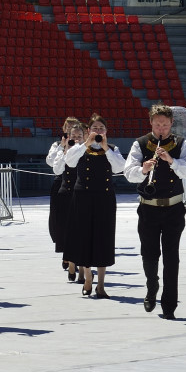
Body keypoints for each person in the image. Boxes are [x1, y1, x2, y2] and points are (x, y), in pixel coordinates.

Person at [124, 104, 186, 320]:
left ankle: (169, 304)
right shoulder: (140, 143)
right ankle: (152, 285)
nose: (161, 129)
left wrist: (171, 160)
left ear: (171, 123)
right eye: (157, 125)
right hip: (148, 208)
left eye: (165, 125)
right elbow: (129, 173)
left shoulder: (181, 144)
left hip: (174, 208)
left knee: (171, 257)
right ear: (151, 123)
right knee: (149, 253)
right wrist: (144, 169)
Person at [64, 114, 125, 298]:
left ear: (106, 131)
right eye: (95, 128)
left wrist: (105, 148)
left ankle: (101, 284)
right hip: (82, 196)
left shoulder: (112, 149)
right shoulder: (81, 148)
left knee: (103, 238)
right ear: (88, 130)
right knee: (84, 237)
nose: (98, 131)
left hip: (104, 197)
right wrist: (85, 143)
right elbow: (69, 161)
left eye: (101, 128)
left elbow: (120, 167)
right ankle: (88, 277)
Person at [48, 119, 84, 282]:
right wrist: (64, 150)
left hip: (83, 192)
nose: (76, 139)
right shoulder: (60, 147)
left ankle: (80, 264)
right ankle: (69, 260)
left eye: (79, 136)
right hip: (66, 190)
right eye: (73, 136)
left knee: (81, 230)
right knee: (65, 227)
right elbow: (55, 168)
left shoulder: (87, 149)